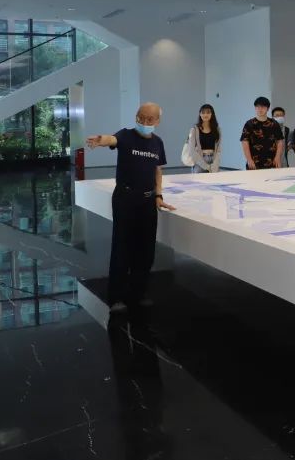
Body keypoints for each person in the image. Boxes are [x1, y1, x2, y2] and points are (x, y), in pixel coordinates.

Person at [86, 103, 176, 313]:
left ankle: (139, 292)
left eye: (149, 119)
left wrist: (158, 194)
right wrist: (101, 140)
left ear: (157, 121)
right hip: (125, 198)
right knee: (122, 247)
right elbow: (112, 139)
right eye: (140, 117)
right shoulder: (126, 135)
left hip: (147, 201)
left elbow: (158, 171)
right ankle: (116, 297)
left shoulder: (158, 142)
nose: (144, 122)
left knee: (146, 249)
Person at [241, 96, 285, 170]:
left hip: (272, 162)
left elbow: (280, 141)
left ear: (267, 108)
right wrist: (249, 159)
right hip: (254, 162)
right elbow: (245, 142)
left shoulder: (274, 123)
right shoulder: (249, 124)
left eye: (263, 107)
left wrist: (277, 157)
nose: (260, 109)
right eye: (258, 107)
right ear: (255, 108)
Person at [187, 103, 222, 174]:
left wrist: (215, 164)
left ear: (212, 114)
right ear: (200, 114)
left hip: (213, 160)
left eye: (208, 112)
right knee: (199, 180)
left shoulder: (217, 129)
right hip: (199, 161)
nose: (205, 115)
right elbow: (191, 151)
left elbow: (218, 150)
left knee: (214, 180)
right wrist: (205, 166)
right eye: (203, 112)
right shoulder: (194, 130)